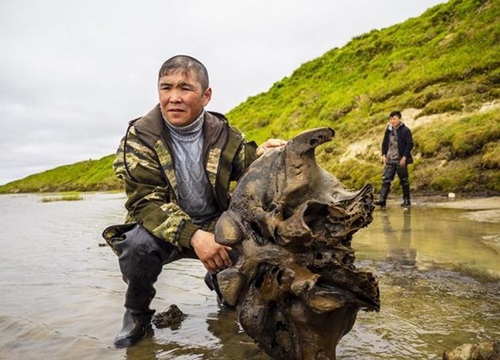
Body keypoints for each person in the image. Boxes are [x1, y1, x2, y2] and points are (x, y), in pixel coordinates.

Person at [102, 55, 285, 348]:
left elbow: (248, 172)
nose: (173, 98)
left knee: (256, 246)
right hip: (161, 228)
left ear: (206, 95)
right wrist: (194, 236)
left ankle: (224, 289)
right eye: (166, 88)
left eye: (185, 88)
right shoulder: (139, 138)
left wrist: (267, 155)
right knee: (136, 247)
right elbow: (145, 202)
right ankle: (136, 313)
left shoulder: (225, 135)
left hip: (216, 223)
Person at [374, 110, 413, 208]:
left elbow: (409, 144)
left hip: (400, 159)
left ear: (399, 119)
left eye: (394, 119)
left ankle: (406, 200)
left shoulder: (405, 130)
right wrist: (383, 155)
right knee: (385, 180)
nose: (392, 121)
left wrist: (404, 158)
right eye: (391, 119)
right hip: (390, 159)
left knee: (404, 180)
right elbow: (384, 143)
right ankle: (382, 200)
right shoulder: (389, 130)